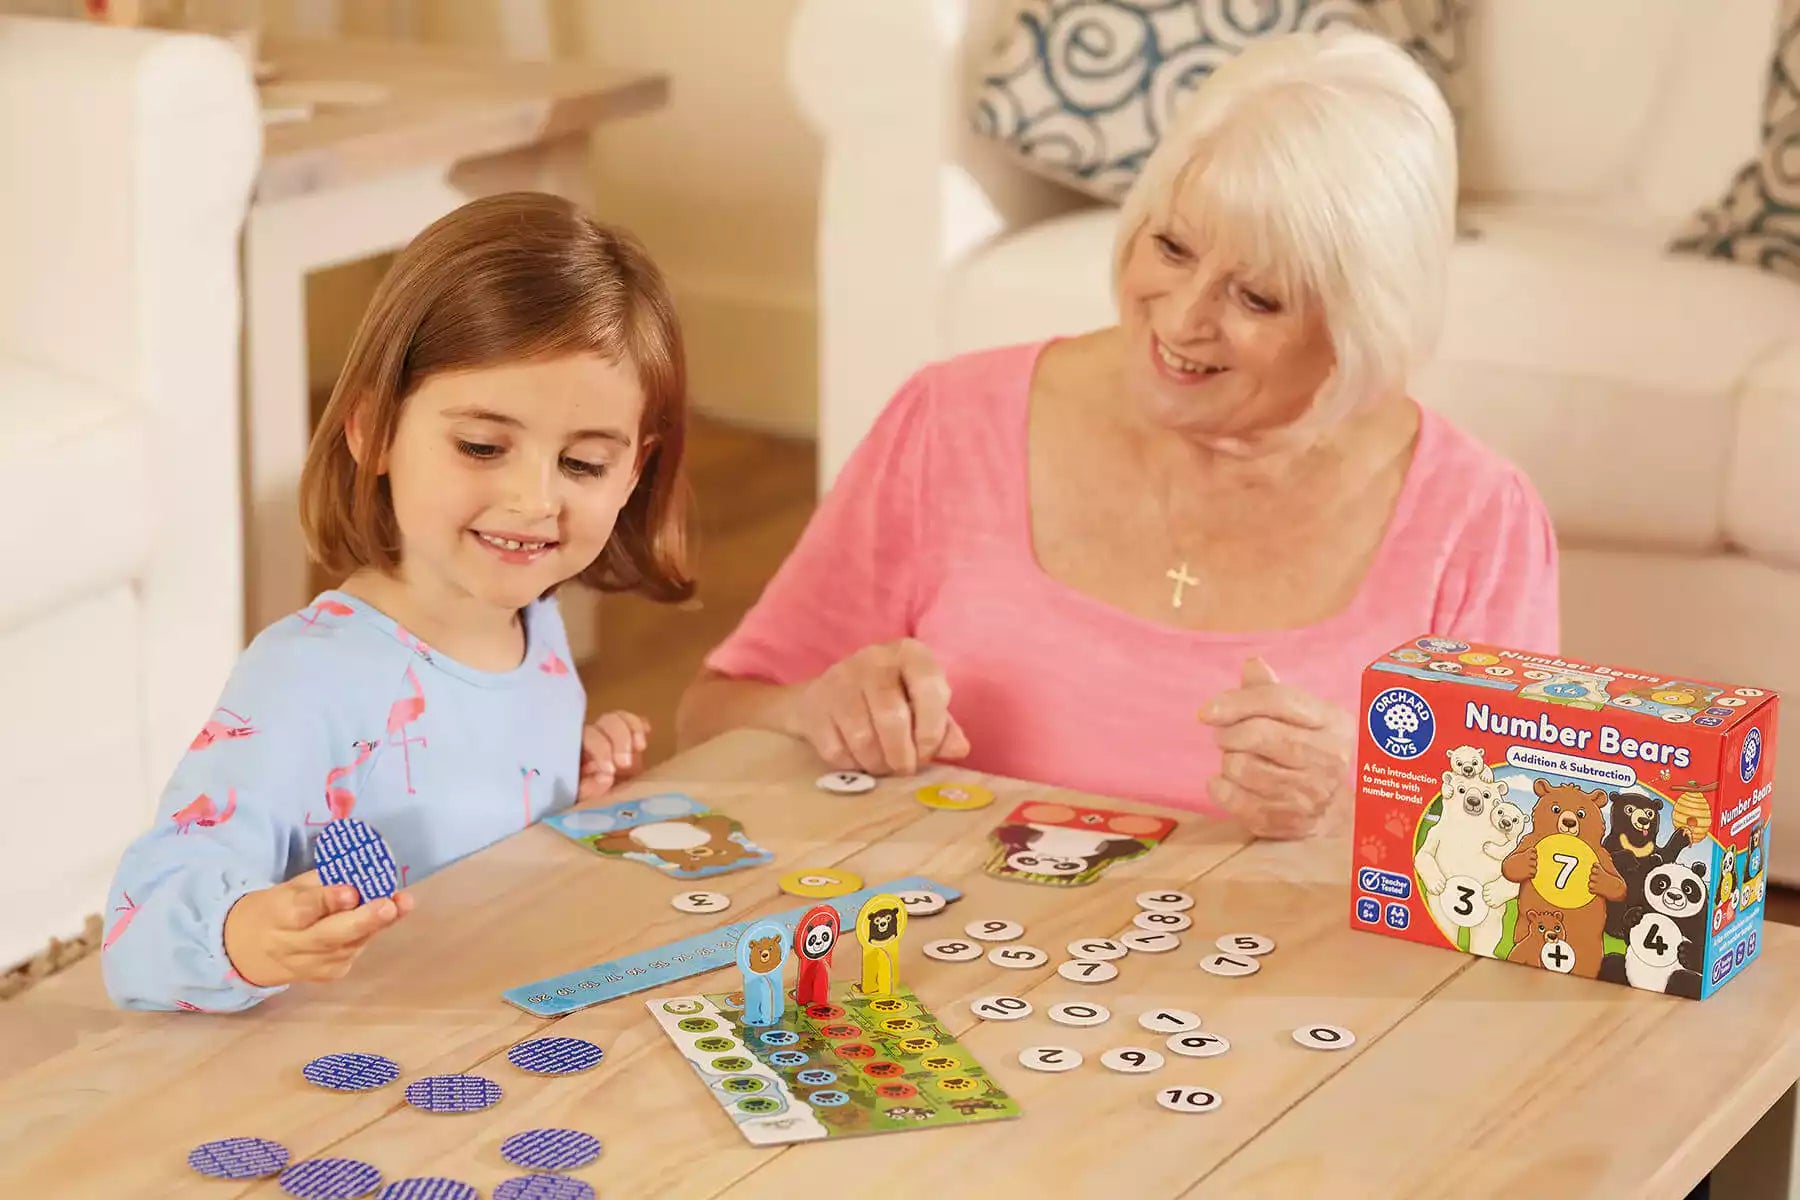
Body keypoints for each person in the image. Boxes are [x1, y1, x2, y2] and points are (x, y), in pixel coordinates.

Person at [676, 30, 1559, 839]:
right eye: (1172, 247)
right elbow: (710, 716)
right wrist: (816, 713)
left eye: (1256, 298)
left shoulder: (1476, 521)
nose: (1181, 318)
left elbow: (1525, 867)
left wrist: (1367, 801)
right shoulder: (951, 421)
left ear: (1364, 327)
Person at [101, 192, 694, 1012]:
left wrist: (561, 785)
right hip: (338, 1074)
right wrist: (249, 934)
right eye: (483, 447)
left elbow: (465, 806)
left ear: (633, 472)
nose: (534, 499)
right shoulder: (308, 678)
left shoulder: (537, 629)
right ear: (373, 431)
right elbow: (141, 931)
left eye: (584, 464)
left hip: (492, 1033)